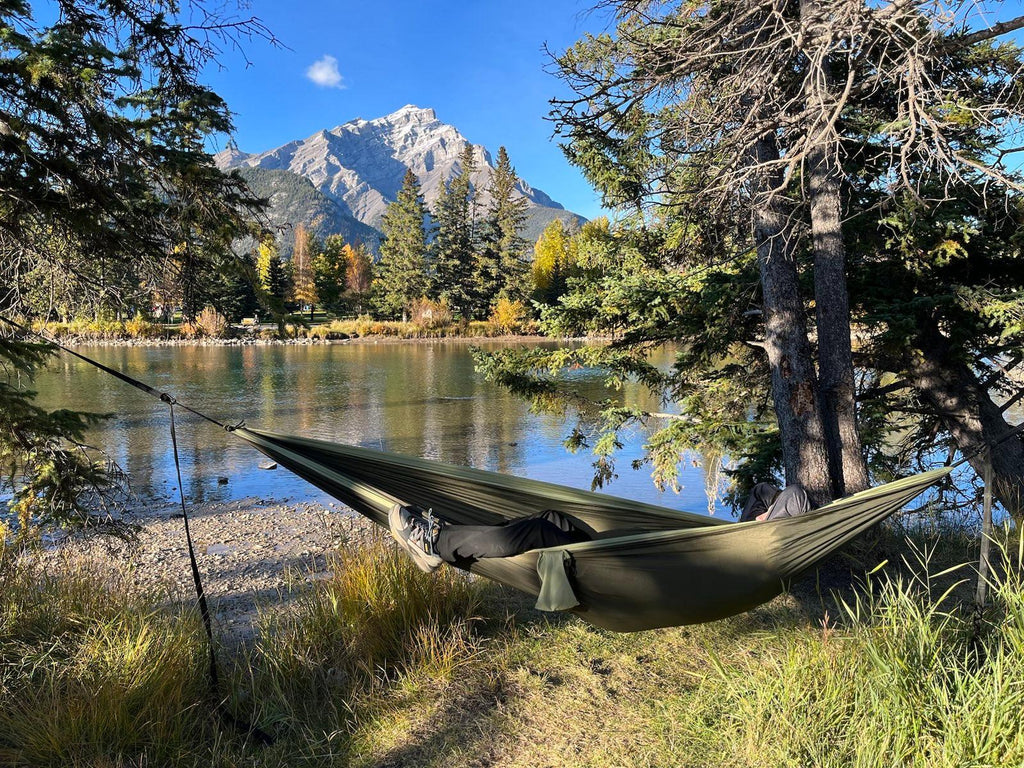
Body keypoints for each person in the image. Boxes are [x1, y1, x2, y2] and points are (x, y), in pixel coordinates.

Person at [389, 481, 813, 573]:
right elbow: (780, 498)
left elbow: (793, 499)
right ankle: (460, 534)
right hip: (620, 545)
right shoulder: (750, 536)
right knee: (540, 521)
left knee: (533, 529)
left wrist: (760, 524)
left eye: (772, 512)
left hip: (622, 560)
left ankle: (437, 542)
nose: (764, 509)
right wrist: (762, 514)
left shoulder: (748, 557)